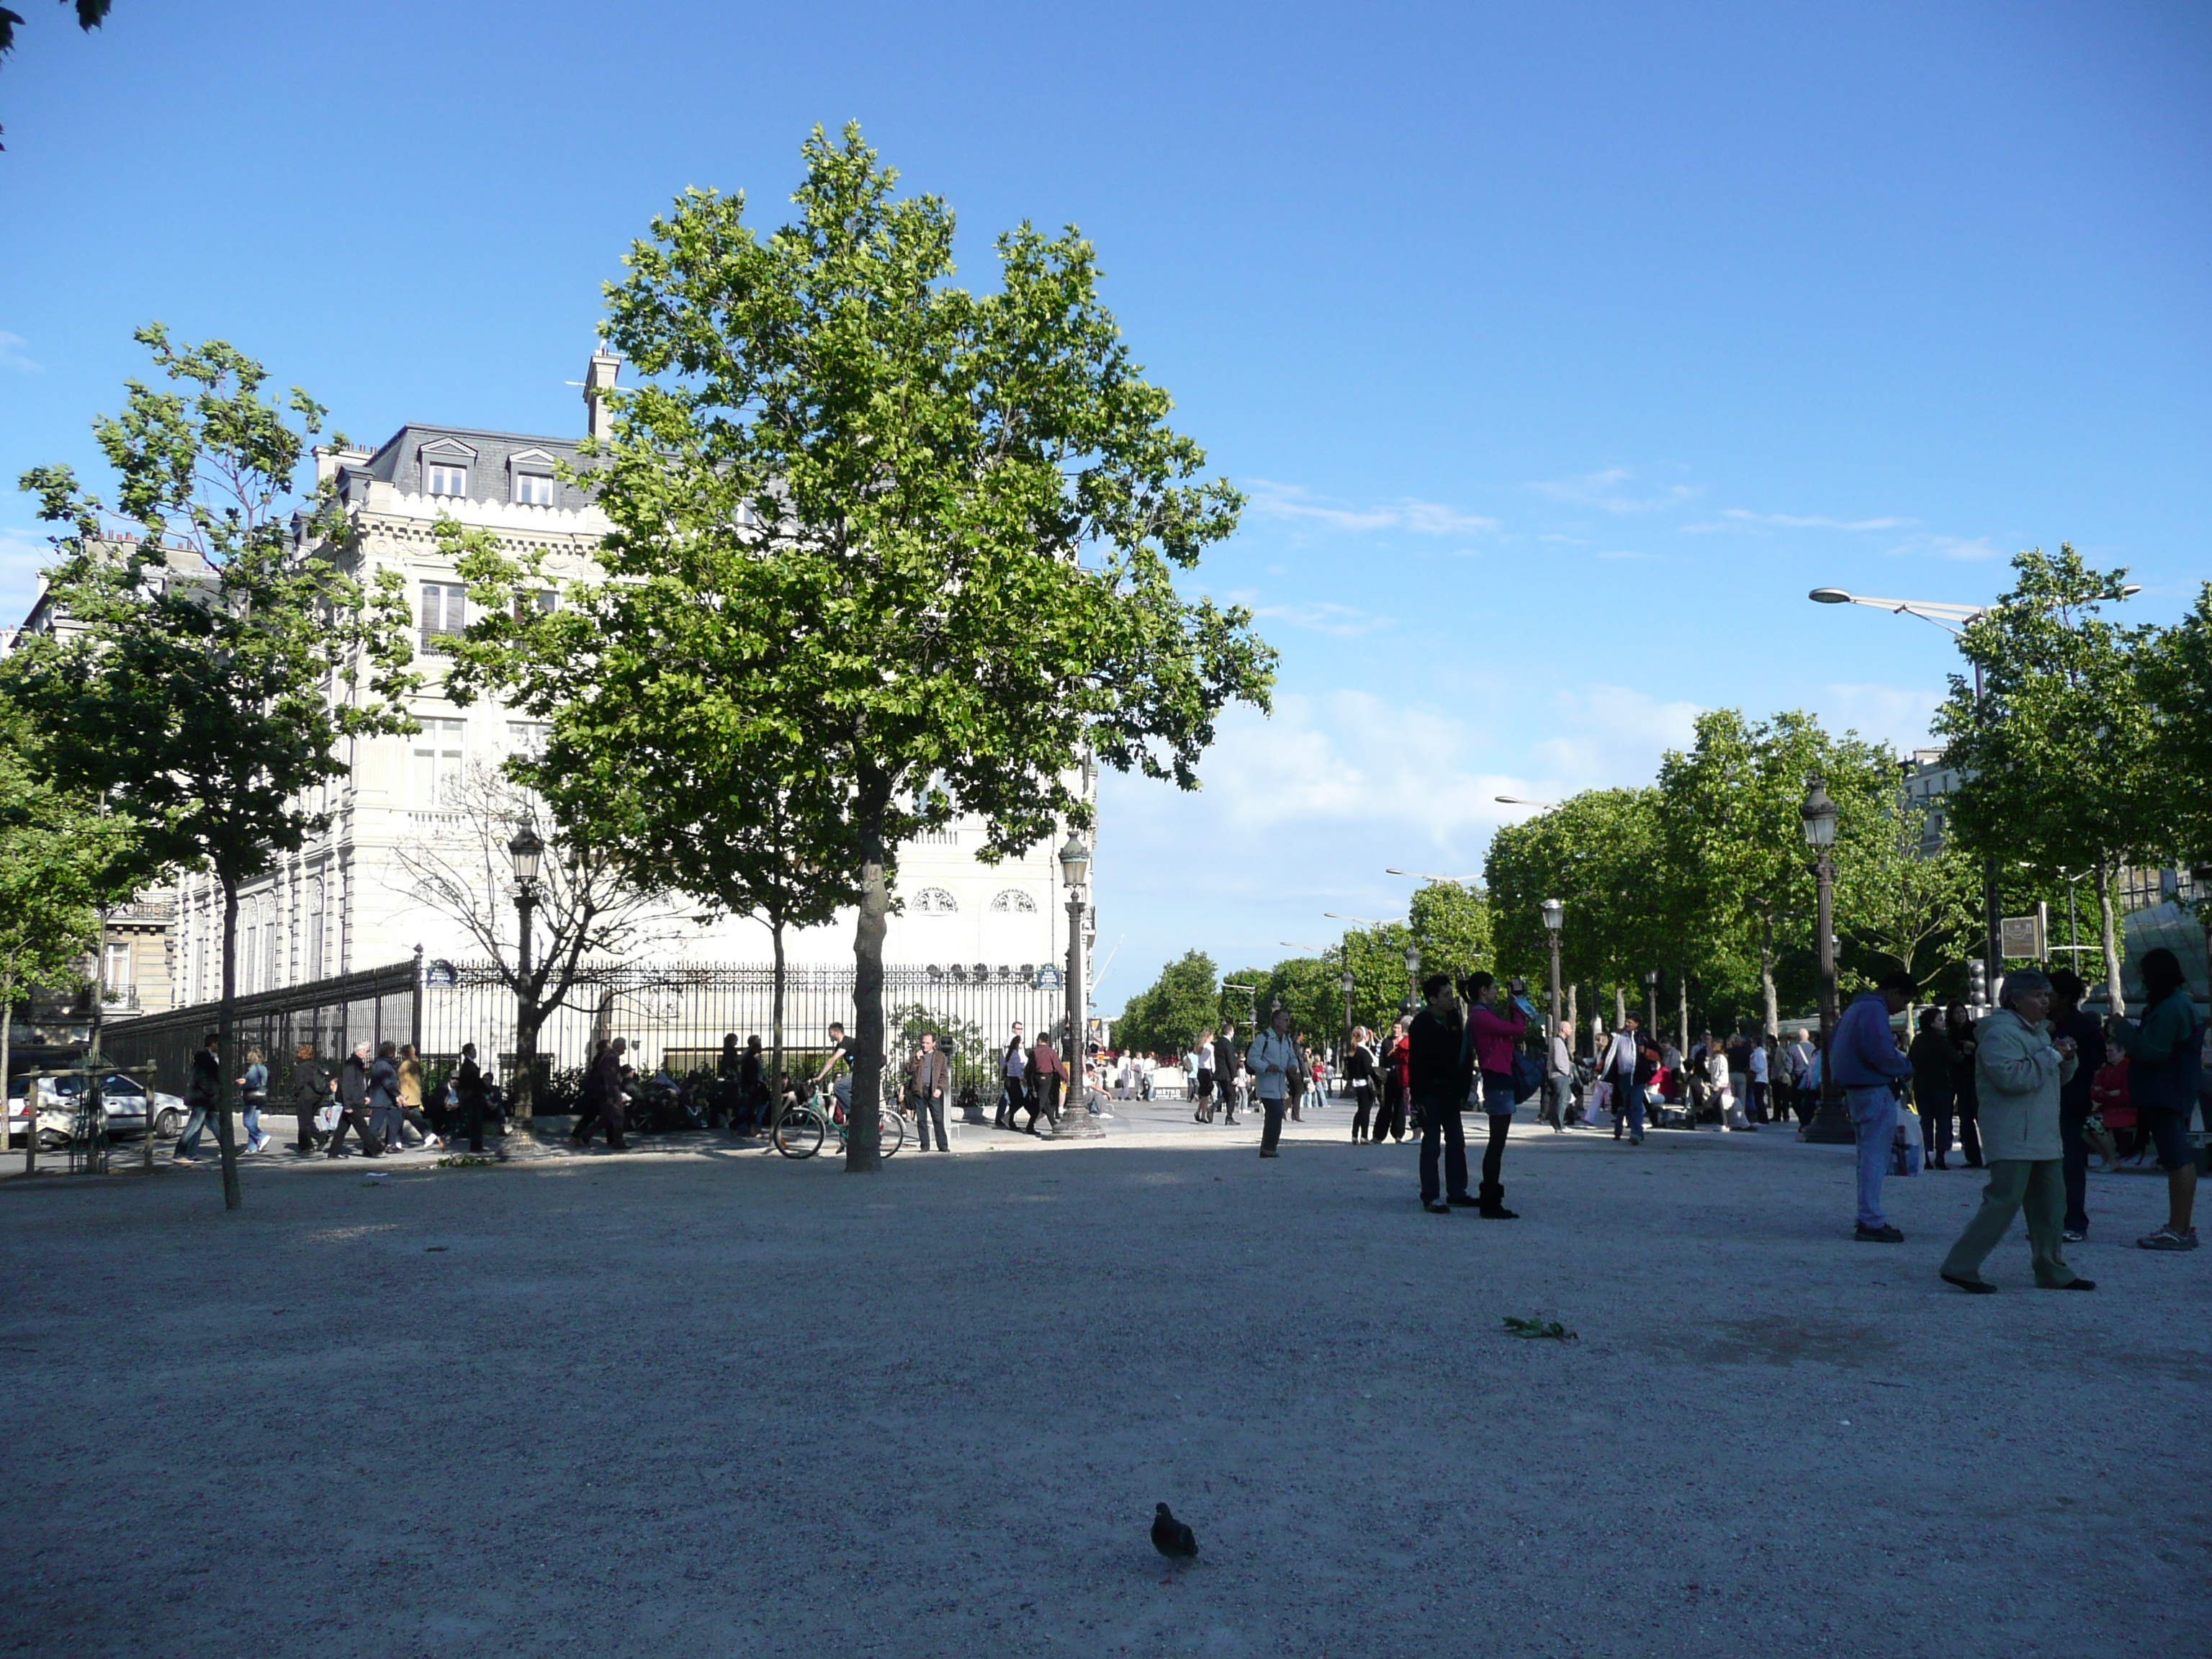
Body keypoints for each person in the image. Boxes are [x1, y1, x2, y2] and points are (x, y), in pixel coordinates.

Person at [1938, 969, 2092, 1293]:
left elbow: (2051, 1079)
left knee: (2052, 1207)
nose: (2045, 1002)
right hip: (2013, 1135)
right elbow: (2012, 1079)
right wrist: (2052, 1054)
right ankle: (1961, 1266)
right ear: (2014, 1000)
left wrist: (2066, 1059)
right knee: (2002, 1202)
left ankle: (2051, 1268)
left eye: (2047, 995)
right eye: (2038, 995)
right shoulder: (1999, 1034)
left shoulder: (2036, 1033)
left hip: (2040, 1133)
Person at [2107, 945, 2202, 1251]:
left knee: (2177, 1159)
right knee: (2177, 1158)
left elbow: (2153, 1050)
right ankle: (2181, 1227)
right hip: (2171, 1088)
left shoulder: (2171, 1007)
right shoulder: (2180, 1004)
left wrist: (2122, 1030)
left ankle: (2178, 1229)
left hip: (2165, 1090)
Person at [1833, 971, 1918, 1242]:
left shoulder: (1855, 1009)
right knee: (1875, 1157)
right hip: (1874, 1089)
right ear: (1893, 992)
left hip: (1855, 1089)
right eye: (1903, 1001)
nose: (1900, 1009)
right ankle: (1871, 1220)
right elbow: (1880, 1051)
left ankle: (1867, 1215)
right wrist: (1905, 1068)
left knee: (1866, 1156)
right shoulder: (1874, 1011)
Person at [2046, 969, 2106, 1242]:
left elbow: (2092, 1064)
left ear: (2065, 997)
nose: (2045, 998)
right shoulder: (2050, 1024)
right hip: (2048, 1101)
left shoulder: (2082, 1029)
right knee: (2050, 1165)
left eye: (2050, 993)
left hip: (2069, 1101)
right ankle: (2054, 1218)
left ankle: (2073, 1221)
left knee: (2069, 1162)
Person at [1463, 972, 1528, 1216]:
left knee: (1497, 1143)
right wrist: (1517, 1003)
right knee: (1496, 1143)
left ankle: (1490, 1196)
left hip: (1498, 1078)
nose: (1496, 992)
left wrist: (1515, 1004)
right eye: (1493, 988)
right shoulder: (1482, 1017)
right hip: (1498, 1078)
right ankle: (1490, 1198)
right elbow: (1518, 1029)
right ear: (1482, 991)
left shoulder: (1481, 1015)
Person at [1410, 975, 1473, 1213]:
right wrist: (1417, 1099)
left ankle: (1457, 1191)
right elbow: (1416, 1064)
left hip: (1451, 1091)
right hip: (1430, 1092)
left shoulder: (1454, 1018)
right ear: (1433, 999)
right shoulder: (1421, 1024)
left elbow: (1464, 1054)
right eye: (1446, 995)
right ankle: (1431, 1195)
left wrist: (1463, 1088)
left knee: (1456, 1142)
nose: (1451, 999)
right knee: (1432, 1144)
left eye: (1451, 994)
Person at [1907, 1009, 1958, 1169]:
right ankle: (1940, 1156)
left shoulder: (1918, 1040)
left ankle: (1926, 1156)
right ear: (1932, 1023)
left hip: (1922, 1085)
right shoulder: (1941, 1040)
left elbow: (1911, 1060)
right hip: (1941, 1084)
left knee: (1925, 1121)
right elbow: (1955, 1058)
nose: (1943, 1022)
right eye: (1940, 1019)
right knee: (1943, 1121)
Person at [1248, 1006, 1300, 1158]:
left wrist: (1293, 1066)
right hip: (1266, 1085)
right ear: (1276, 1022)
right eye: (1285, 1020)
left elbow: (1293, 1057)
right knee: (1276, 1112)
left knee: (1275, 1114)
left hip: (1280, 1085)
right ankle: (1268, 1148)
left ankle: (1268, 1147)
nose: (1288, 1023)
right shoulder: (1263, 1038)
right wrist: (1266, 1067)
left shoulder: (1287, 1041)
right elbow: (1252, 1058)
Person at [327, 1041, 384, 1157]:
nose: (368, 1054)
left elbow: (359, 1084)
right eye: (367, 1051)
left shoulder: (357, 1064)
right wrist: (347, 1104)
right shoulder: (351, 1065)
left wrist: (364, 1096)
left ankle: (334, 1152)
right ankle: (375, 1149)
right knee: (362, 1127)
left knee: (342, 1129)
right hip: (352, 1102)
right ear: (359, 1051)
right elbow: (347, 1085)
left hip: (355, 1099)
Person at [173, 1032, 222, 1163]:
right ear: (213, 1044)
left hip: (205, 1098)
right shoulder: (204, 1058)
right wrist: (212, 1091)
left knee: (211, 1126)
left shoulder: (206, 1057)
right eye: (219, 1044)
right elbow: (203, 1079)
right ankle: (180, 1153)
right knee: (194, 1126)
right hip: (203, 1099)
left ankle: (190, 1153)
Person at [574, 1036, 629, 1149]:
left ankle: (586, 1136)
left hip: (606, 1091)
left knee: (606, 1119)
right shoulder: (612, 1057)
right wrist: (610, 1094)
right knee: (618, 1117)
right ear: (618, 1047)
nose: (626, 1049)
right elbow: (609, 1077)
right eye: (624, 1046)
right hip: (611, 1092)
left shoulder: (610, 1056)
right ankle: (618, 1142)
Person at [1946, 1002, 1984, 1167]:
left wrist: (1973, 1048)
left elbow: (1984, 1050)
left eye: (1962, 1012)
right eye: (1957, 1013)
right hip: (1960, 1078)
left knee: (1981, 1117)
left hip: (1976, 1077)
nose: (1961, 1015)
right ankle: (1973, 1157)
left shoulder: (1974, 1029)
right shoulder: (1950, 1033)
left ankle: (1991, 1156)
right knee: (1966, 1119)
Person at [1598, 1015, 1644, 1143]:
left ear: (1637, 1024)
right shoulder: (1618, 1038)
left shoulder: (1642, 1038)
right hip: (1623, 1077)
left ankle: (1635, 1134)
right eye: (1626, 1022)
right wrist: (1602, 1070)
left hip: (1638, 1077)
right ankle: (1637, 1131)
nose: (1627, 1024)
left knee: (1636, 1104)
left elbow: (1652, 1055)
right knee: (1627, 1105)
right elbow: (1608, 1055)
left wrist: (1645, 1054)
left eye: (1630, 1022)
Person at [909, 1030, 952, 1152]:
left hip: (933, 1090)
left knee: (938, 1119)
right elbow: (909, 1070)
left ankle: (943, 1145)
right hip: (920, 1090)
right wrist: (916, 1060)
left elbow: (944, 1075)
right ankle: (925, 1145)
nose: (924, 1045)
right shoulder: (917, 1055)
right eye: (923, 1043)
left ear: (933, 1044)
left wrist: (940, 1088)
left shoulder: (939, 1056)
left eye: (927, 1043)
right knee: (921, 1120)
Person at [288, 1041, 332, 1154]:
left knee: (303, 1122)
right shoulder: (315, 1066)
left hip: (305, 1096)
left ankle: (306, 1145)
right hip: (317, 1096)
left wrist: (295, 1093)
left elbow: (299, 1084)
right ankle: (320, 1137)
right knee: (308, 1120)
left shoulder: (302, 1067)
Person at [395, 1043, 441, 1150]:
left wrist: (401, 1095)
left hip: (406, 1095)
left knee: (398, 1118)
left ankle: (397, 1141)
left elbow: (404, 1081)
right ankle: (428, 1135)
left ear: (404, 1054)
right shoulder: (416, 1063)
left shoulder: (405, 1065)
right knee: (413, 1117)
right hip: (414, 1095)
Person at [1376, 1017, 1411, 1143]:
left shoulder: (1406, 1042)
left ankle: (1398, 1134)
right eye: (1394, 1028)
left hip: (1401, 1076)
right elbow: (1382, 1061)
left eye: (1398, 1028)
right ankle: (1379, 1135)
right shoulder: (1387, 1042)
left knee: (1400, 1106)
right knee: (1385, 1106)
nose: (1396, 1030)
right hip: (1389, 1077)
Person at [454, 1041, 490, 1154]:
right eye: (474, 1051)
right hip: (471, 1098)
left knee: (476, 1122)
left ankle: (477, 1145)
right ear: (468, 1053)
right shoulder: (469, 1066)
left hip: (471, 1097)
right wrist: (487, 1091)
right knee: (476, 1122)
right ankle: (476, 1146)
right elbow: (475, 1082)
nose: (476, 1053)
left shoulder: (468, 1065)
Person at [1345, 1027, 1380, 1141]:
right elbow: (1370, 1068)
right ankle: (1364, 1136)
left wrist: (1372, 1041)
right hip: (1366, 1084)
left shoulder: (1353, 1052)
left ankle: (1355, 1135)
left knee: (1360, 1109)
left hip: (1357, 1083)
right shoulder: (1364, 1052)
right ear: (1365, 1037)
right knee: (1365, 1110)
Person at [1028, 1030, 1065, 1133]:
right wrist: (1065, 1077)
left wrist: (1029, 1082)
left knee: (1045, 1102)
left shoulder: (1034, 1052)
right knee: (1042, 1102)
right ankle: (1031, 1125)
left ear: (1039, 1040)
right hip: (1047, 1078)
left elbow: (1029, 1068)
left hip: (1036, 1077)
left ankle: (1053, 1124)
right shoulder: (1051, 1052)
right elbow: (1058, 1066)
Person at [236, 1046, 271, 1154]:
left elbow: (250, 1083)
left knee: (247, 1122)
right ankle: (252, 1147)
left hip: (251, 1096)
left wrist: (242, 1083)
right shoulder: (264, 1068)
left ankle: (262, 1136)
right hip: (262, 1095)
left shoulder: (253, 1069)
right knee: (253, 1122)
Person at [1542, 1018, 1573, 1133]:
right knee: (1562, 1099)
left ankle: (1556, 1122)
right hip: (1559, 1075)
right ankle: (1559, 1125)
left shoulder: (1556, 1042)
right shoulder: (1558, 1042)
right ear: (1563, 1029)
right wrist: (1566, 1072)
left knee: (1563, 1098)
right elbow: (1559, 1060)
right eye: (1569, 1028)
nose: (1571, 1030)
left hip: (1556, 1075)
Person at [996, 1023, 1028, 1128]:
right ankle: (1036, 1113)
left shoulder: (1011, 1045)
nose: (1020, 1031)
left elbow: (1004, 1059)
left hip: (1010, 1075)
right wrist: (1022, 1077)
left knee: (1008, 1097)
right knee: (1021, 1098)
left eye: (1021, 1029)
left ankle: (1005, 1118)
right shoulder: (1013, 1042)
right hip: (1014, 1076)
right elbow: (1018, 1061)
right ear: (1013, 1029)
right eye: (1018, 1029)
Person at [1782, 1028, 1816, 1125]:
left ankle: (1803, 1119)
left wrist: (1792, 1074)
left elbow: (1788, 1066)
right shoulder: (1814, 1048)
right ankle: (1810, 1120)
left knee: (1796, 1101)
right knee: (1810, 1101)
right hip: (1812, 1078)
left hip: (1798, 1078)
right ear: (1808, 1037)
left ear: (1797, 1038)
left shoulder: (1793, 1049)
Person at [1213, 1024, 1241, 1126]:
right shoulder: (1228, 1044)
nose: (1233, 1033)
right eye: (1233, 1031)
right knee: (1232, 1095)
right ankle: (1229, 1117)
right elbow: (1230, 1061)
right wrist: (1235, 1076)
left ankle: (1213, 1107)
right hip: (1228, 1074)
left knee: (1226, 1093)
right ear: (1230, 1032)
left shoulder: (1218, 1043)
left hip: (1220, 1073)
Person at [737, 1035, 766, 1136]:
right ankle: (745, 1128)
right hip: (750, 1085)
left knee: (750, 1107)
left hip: (752, 1084)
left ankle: (749, 1128)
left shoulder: (752, 1055)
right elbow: (750, 1071)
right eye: (758, 1040)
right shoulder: (749, 1055)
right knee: (748, 1107)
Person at [1192, 1028, 1217, 1123]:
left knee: (1204, 1094)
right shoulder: (1210, 1047)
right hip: (1207, 1071)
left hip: (1200, 1070)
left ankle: (1198, 1112)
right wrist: (1214, 1073)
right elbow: (1212, 1061)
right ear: (1209, 1036)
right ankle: (1203, 1115)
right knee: (1206, 1095)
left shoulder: (1199, 1046)